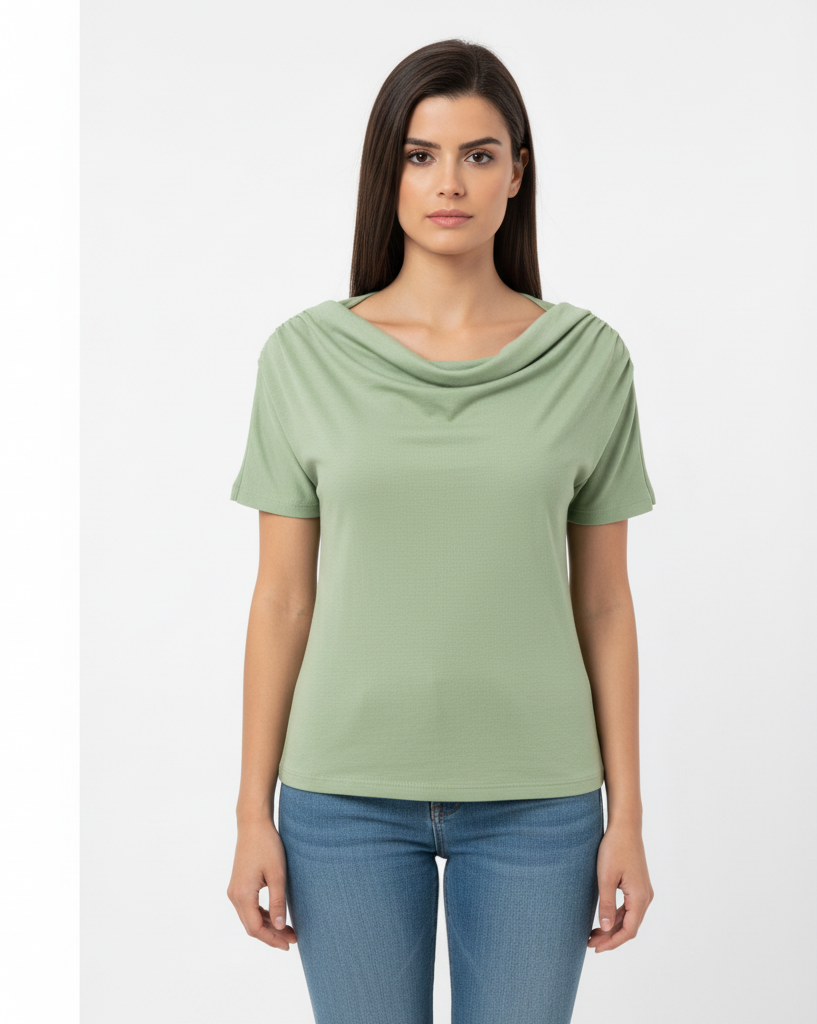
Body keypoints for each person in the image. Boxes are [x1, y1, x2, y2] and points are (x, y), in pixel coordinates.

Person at [226, 37, 657, 1024]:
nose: (449, 182)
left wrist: (627, 816)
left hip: (540, 803)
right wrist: (252, 811)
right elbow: (282, 598)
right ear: (388, 174)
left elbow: (604, 602)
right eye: (420, 155)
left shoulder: (588, 360)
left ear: (517, 174)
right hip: (341, 798)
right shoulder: (305, 357)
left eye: (478, 154)